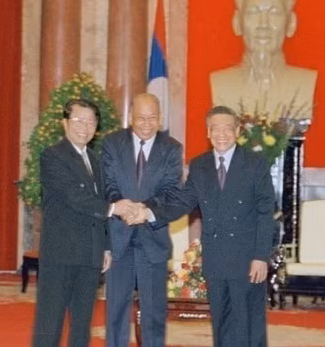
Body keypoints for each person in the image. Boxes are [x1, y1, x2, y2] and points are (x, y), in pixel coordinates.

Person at [126, 105, 276, 347]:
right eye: (215, 129)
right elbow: (182, 202)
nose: (221, 134)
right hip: (215, 259)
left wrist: (261, 256)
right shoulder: (200, 165)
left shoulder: (254, 164)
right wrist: (149, 213)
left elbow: (265, 212)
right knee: (221, 325)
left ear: (237, 131)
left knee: (249, 325)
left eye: (227, 129)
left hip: (247, 260)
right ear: (208, 132)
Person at [32, 98, 136, 347]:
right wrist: (114, 208)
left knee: (82, 323)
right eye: (79, 120)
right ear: (65, 123)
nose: (85, 127)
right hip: (61, 253)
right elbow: (74, 196)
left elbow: (101, 201)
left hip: (90, 254)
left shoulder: (95, 159)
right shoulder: (53, 156)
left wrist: (106, 246)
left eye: (90, 122)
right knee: (50, 322)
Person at [101, 93, 183, 347]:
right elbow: (107, 185)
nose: (147, 124)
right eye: (141, 118)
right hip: (119, 238)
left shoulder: (171, 148)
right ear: (130, 117)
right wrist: (122, 207)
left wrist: (144, 210)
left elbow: (170, 190)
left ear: (160, 118)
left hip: (152, 237)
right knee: (115, 310)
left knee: (154, 313)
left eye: (153, 118)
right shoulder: (112, 143)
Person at [210, 0, 316, 119]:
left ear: (291, 23)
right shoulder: (221, 83)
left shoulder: (304, 83)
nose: (263, 24)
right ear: (237, 23)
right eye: (253, 12)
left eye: (274, 12)